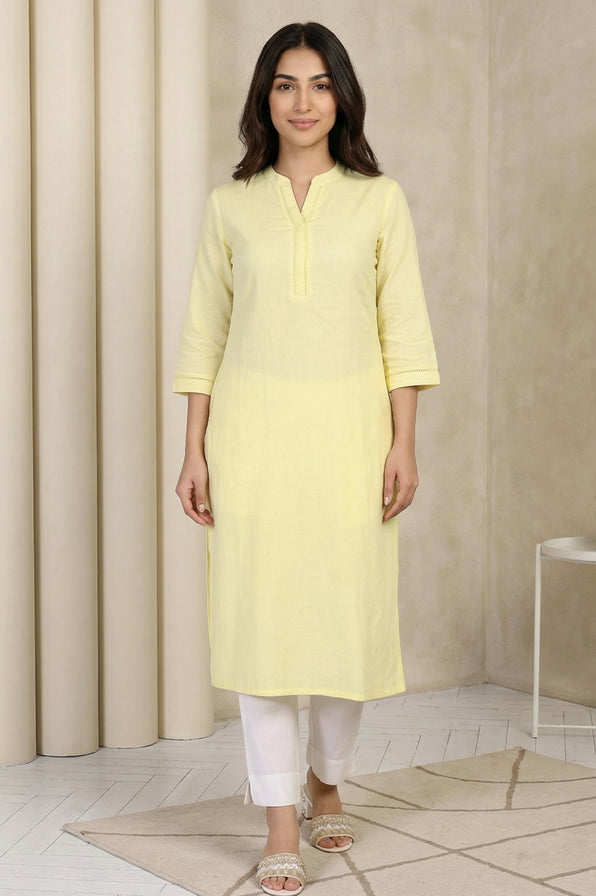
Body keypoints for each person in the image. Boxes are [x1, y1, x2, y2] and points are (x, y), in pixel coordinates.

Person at [174, 21, 439, 895]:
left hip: (349, 445)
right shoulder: (230, 205)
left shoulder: (379, 200)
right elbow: (204, 335)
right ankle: (280, 819)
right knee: (261, 630)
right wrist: (194, 451)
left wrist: (404, 442)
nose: (303, 102)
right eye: (286, 84)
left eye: (320, 84)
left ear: (342, 97)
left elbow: (404, 331)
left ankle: (327, 779)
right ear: (265, 96)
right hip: (250, 444)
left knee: (342, 628)